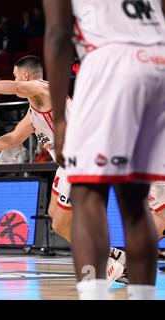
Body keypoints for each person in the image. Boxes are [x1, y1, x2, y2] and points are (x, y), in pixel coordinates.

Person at [0, 55, 124, 284]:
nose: (14, 79)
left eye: (15, 75)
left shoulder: (43, 89)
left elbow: (16, 87)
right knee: (58, 221)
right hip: (69, 164)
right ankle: (113, 257)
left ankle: (104, 261)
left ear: (25, 75)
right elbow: (11, 139)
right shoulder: (34, 111)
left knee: (72, 218)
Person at [43, 0, 165, 300]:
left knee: (88, 195)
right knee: (135, 201)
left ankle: (93, 293)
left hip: (109, 62)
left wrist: (59, 120)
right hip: (157, 64)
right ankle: (144, 295)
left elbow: (59, 35)